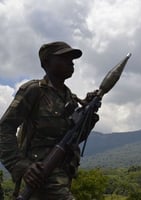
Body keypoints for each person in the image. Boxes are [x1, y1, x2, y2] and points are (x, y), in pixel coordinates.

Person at [0, 41, 93, 199]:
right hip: (40, 175)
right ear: (47, 62)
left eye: (71, 58)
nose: (71, 62)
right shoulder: (34, 90)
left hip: (62, 176)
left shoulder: (70, 99)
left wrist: (89, 115)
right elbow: (4, 129)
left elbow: (73, 139)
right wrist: (21, 166)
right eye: (64, 58)